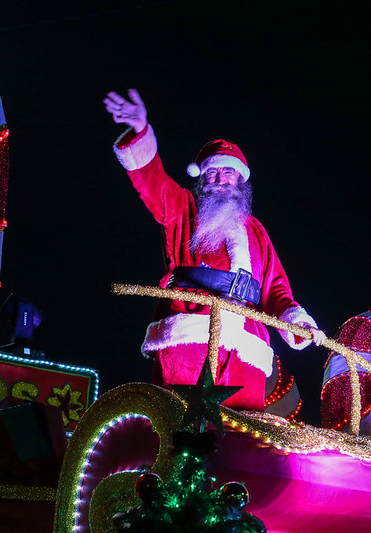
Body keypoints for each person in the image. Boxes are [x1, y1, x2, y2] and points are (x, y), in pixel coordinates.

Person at [104, 89, 324, 411]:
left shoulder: (256, 231)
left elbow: (276, 290)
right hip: (190, 335)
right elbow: (152, 182)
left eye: (228, 172)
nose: (220, 179)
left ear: (240, 180)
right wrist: (140, 131)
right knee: (183, 424)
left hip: (246, 346)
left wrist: (298, 323)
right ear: (202, 179)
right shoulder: (182, 209)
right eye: (212, 172)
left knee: (242, 431)